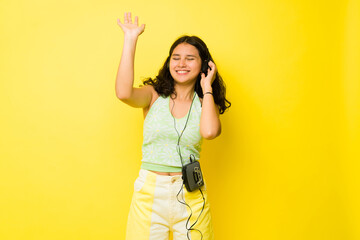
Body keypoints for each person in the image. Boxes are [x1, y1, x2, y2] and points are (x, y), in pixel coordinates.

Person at [115, 12, 231, 240]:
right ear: (169, 62)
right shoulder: (153, 96)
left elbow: (209, 132)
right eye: (176, 57)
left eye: (190, 58)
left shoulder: (204, 103)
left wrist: (207, 86)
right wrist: (130, 38)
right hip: (149, 192)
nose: (181, 63)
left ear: (204, 65)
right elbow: (123, 93)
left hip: (191, 194)